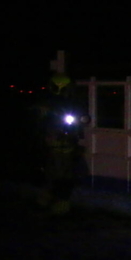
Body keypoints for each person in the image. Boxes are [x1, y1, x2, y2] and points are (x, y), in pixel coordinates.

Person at [33, 72, 89, 216]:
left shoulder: (72, 103)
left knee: (64, 173)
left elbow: (82, 116)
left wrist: (83, 119)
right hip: (54, 143)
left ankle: (56, 202)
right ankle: (51, 201)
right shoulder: (47, 103)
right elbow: (40, 119)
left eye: (65, 88)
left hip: (67, 142)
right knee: (56, 173)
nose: (62, 91)